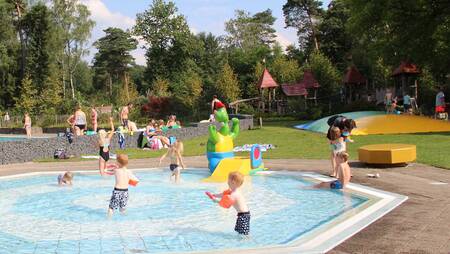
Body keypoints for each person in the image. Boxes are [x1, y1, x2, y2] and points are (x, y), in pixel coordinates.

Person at [207, 172, 250, 236]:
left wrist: (216, 201)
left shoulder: (234, 194)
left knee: (244, 234)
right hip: (242, 215)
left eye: (228, 180)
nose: (227, 182)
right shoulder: (232, 191)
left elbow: (226, 204)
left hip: (244, 215)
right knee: (239, 232)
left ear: (233, 182)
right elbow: (223, 195)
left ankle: (247, 242)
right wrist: (214, 195)